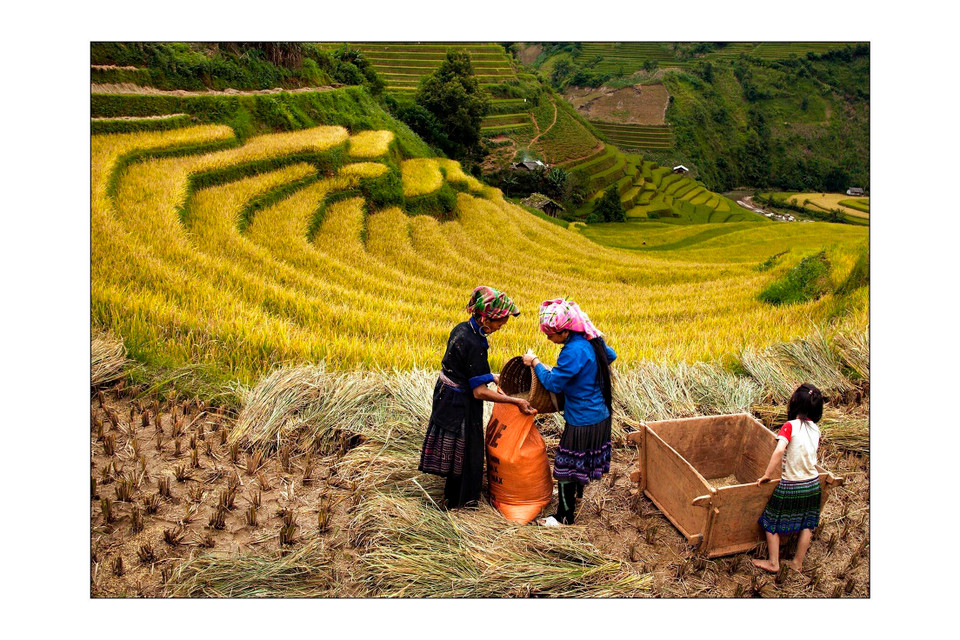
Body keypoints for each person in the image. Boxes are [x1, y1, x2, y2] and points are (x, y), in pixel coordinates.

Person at [419, 286, 537, 509]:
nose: (501, 326)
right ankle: (463, 504)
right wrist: (516, 401)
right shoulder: (474, 344)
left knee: (460, 451)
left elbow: (465, 369)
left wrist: (492, 376)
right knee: (468, 452)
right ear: (486, 318)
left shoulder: (463, 329)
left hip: (445, 396)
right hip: (459, 404)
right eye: (500, 322)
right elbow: (479, 392)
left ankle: (453, 496)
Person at [522, 298, 616, 525]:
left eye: (551, 335)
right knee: (580, 461)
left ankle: (563, 517)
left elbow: (553, 383)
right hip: (600, 415)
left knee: (565, 467)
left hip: (582, 419)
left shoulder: (572, 351)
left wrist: (535, 362)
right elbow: (610, 355)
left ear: (565, 331)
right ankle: (576, 496)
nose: (549, 338)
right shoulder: (591, 340)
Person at [753, 383, 824, 573]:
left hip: (792, 485)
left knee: (770, 522)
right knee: (807, 525)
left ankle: (773, 563)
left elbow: (779, 451)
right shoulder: (816, 430)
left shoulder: (789, 426)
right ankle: (797, 563)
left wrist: (767, 475)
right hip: (813, 484)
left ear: (794, 404)